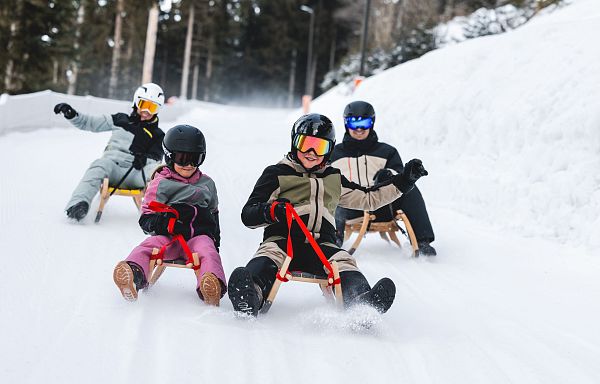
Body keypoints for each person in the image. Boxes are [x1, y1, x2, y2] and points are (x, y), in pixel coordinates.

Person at [227, 113, 428, 317]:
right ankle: (251, 294)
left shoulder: (333, 178)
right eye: (306, 144)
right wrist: (272, 210)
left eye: (320, 147)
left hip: (322, 245)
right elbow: (248, 214)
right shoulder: (277, 173)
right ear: (294, 143)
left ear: (329, 149)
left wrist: (404, 181)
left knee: (344, 261)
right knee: (268, 256)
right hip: (283, 240)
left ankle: (361, 303)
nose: (312, 152)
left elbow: (369, 198)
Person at [112, 125, 226, 305]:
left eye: (194, 159)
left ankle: (211, 285)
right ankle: (132, 274)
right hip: (169, 237)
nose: (188, 165)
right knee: (148, 246)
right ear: (170, 157)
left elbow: (214, 215)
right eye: (182, 159)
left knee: (208, 252)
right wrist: (167, 222)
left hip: (198, 237)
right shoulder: (162, 183)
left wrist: (215, 242)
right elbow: (146, 218)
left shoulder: (207, 184)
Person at [330, 100, 437, 256]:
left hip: (383, 206)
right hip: (351, 207)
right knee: (333, 189)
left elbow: (402, 179)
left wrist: (387, 176)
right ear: (346, 123)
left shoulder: (387, 151)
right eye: (354, 123)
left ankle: (422, 241)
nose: (359, 128)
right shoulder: (334, 153)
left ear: (372, 123)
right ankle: (333, 238)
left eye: (364, 123)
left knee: (409, 188)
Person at [54, 83, 166, 222]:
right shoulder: (120, 120)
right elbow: (90, 123)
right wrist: (72, 115)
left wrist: (145, 160)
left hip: (137, 173)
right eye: (143, 104)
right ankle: (78, 204)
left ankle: (163, 215)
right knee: (99, 165)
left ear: (158, 110)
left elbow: (156, 159)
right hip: (112, 166)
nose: (146, 111)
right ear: (136, 102)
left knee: (160, 172)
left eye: (152, 107)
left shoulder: (158, 135)